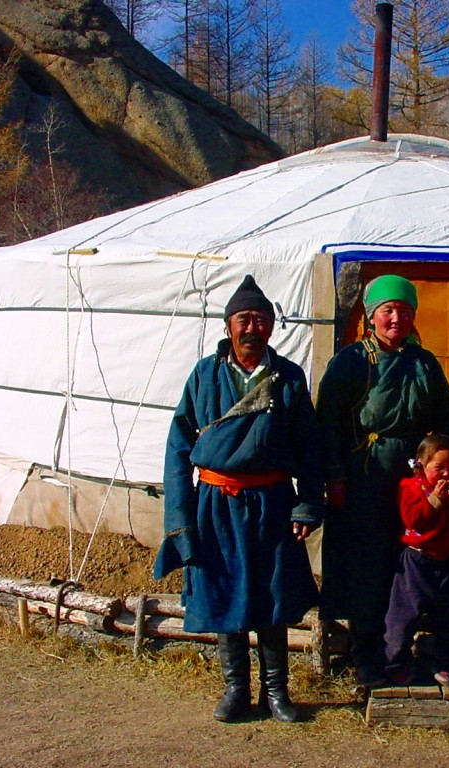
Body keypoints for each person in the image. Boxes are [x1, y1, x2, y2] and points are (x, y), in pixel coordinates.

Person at [153, 274, 324, 723]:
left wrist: (308, 503)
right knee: (224, 591)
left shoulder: (287, 376)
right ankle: (235, 689)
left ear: (272, 326)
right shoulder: (205, 375)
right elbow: (178, 447)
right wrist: (181, 517)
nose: (252, 328)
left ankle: (276, 692)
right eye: (244, 319)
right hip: (216, 504)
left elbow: (310, 447)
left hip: (272, 502)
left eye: (261, 320)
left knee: (272, 594)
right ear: (228, 326)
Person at [316, 274, 449, 688]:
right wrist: (335, 476)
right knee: (367, 565)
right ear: (371, 316)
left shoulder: (424, 364)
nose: (396, 318)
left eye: (404, 311)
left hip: (412, 482)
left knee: (410, 567)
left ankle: (402, 651)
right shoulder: (351, 361)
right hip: (364, 479)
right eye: (388, 310)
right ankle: (366, 653)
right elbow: (327, 424)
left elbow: (448, 422)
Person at [384, 433, 449, 687]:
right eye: (439, 468)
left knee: (448, 618)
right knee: (404, 617)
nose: (447, 473)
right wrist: (435, 500)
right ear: (422, 464)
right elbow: (414, 520)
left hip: (445, 562)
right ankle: (395, 663)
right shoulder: (410, 487)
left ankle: (445, 664)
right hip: (416, 562)